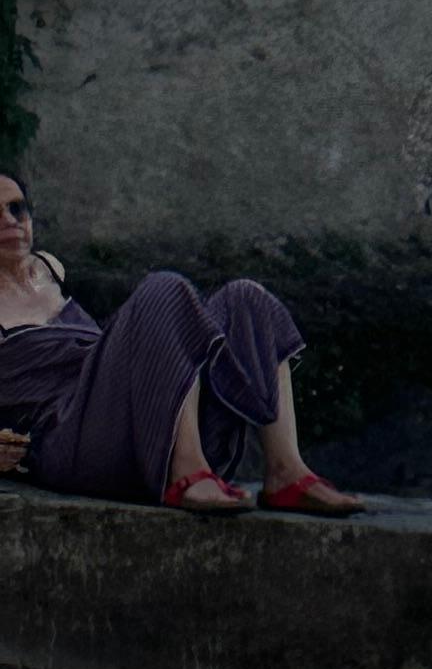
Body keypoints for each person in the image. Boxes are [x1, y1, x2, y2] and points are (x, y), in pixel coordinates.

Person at [0, 175, 358, 513]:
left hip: (139, 425)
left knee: (245, 300)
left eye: (17, 208)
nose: (10, 219)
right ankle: (187, 470)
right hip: (76, 443)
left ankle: (285, 471)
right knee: (164, 290)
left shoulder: (50, 269)